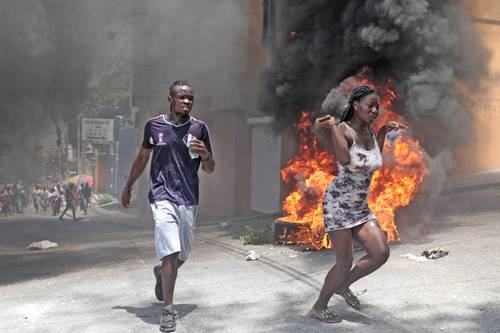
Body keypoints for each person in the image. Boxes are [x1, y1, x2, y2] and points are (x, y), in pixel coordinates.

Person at [121, 80, 215, 333]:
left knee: (182, 253)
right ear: (170, 99)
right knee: (170, 251)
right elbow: (143, 157)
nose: (186, 101)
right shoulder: (154, 125)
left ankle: (160, 272)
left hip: (188, 197)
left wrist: (205, 154)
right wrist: (128, 186)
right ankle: (168, 310)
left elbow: (210, 168)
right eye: (181, 97)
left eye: (190, 98)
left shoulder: (199, 128)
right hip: (161, 196)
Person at [310, 85, 407, 323]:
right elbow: (344, 159)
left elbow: (374, 158)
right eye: (370, 105)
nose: (375, 110)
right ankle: (319, 306)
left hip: (360, 207)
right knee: (344, 262)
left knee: (380, 252)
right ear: (356, 105)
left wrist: (384, 130)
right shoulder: (343, 130)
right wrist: (332, 125)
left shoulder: (371, 132)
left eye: (377, 106)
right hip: (339, 205)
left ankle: (344, 287)